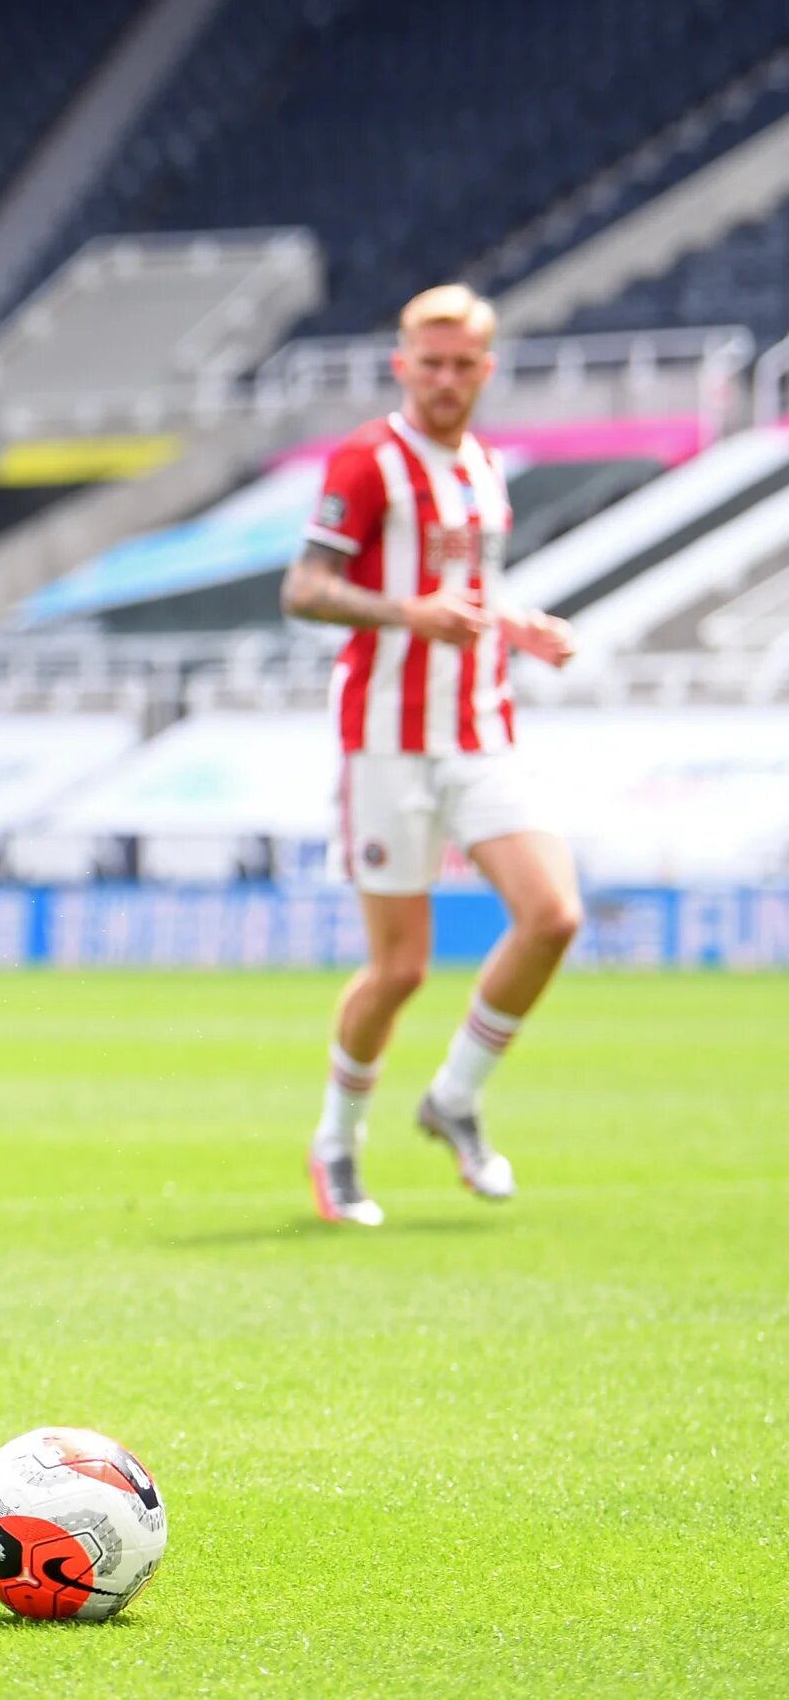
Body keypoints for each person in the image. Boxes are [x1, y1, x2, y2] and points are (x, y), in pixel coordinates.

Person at [281, 284, 581, 1228]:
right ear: (401, 365)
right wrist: (405, 613)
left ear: (486, 370)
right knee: (400, 969)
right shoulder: (369, 460)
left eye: (463, 365)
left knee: (553, 914)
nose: (446, 380)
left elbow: (469, 588)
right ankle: (336, 1142)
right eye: (430, 363)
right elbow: (305, 588)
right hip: (387, 741)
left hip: (481, 728)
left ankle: (454, 1096)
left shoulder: (486, 466)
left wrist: (516, 624)